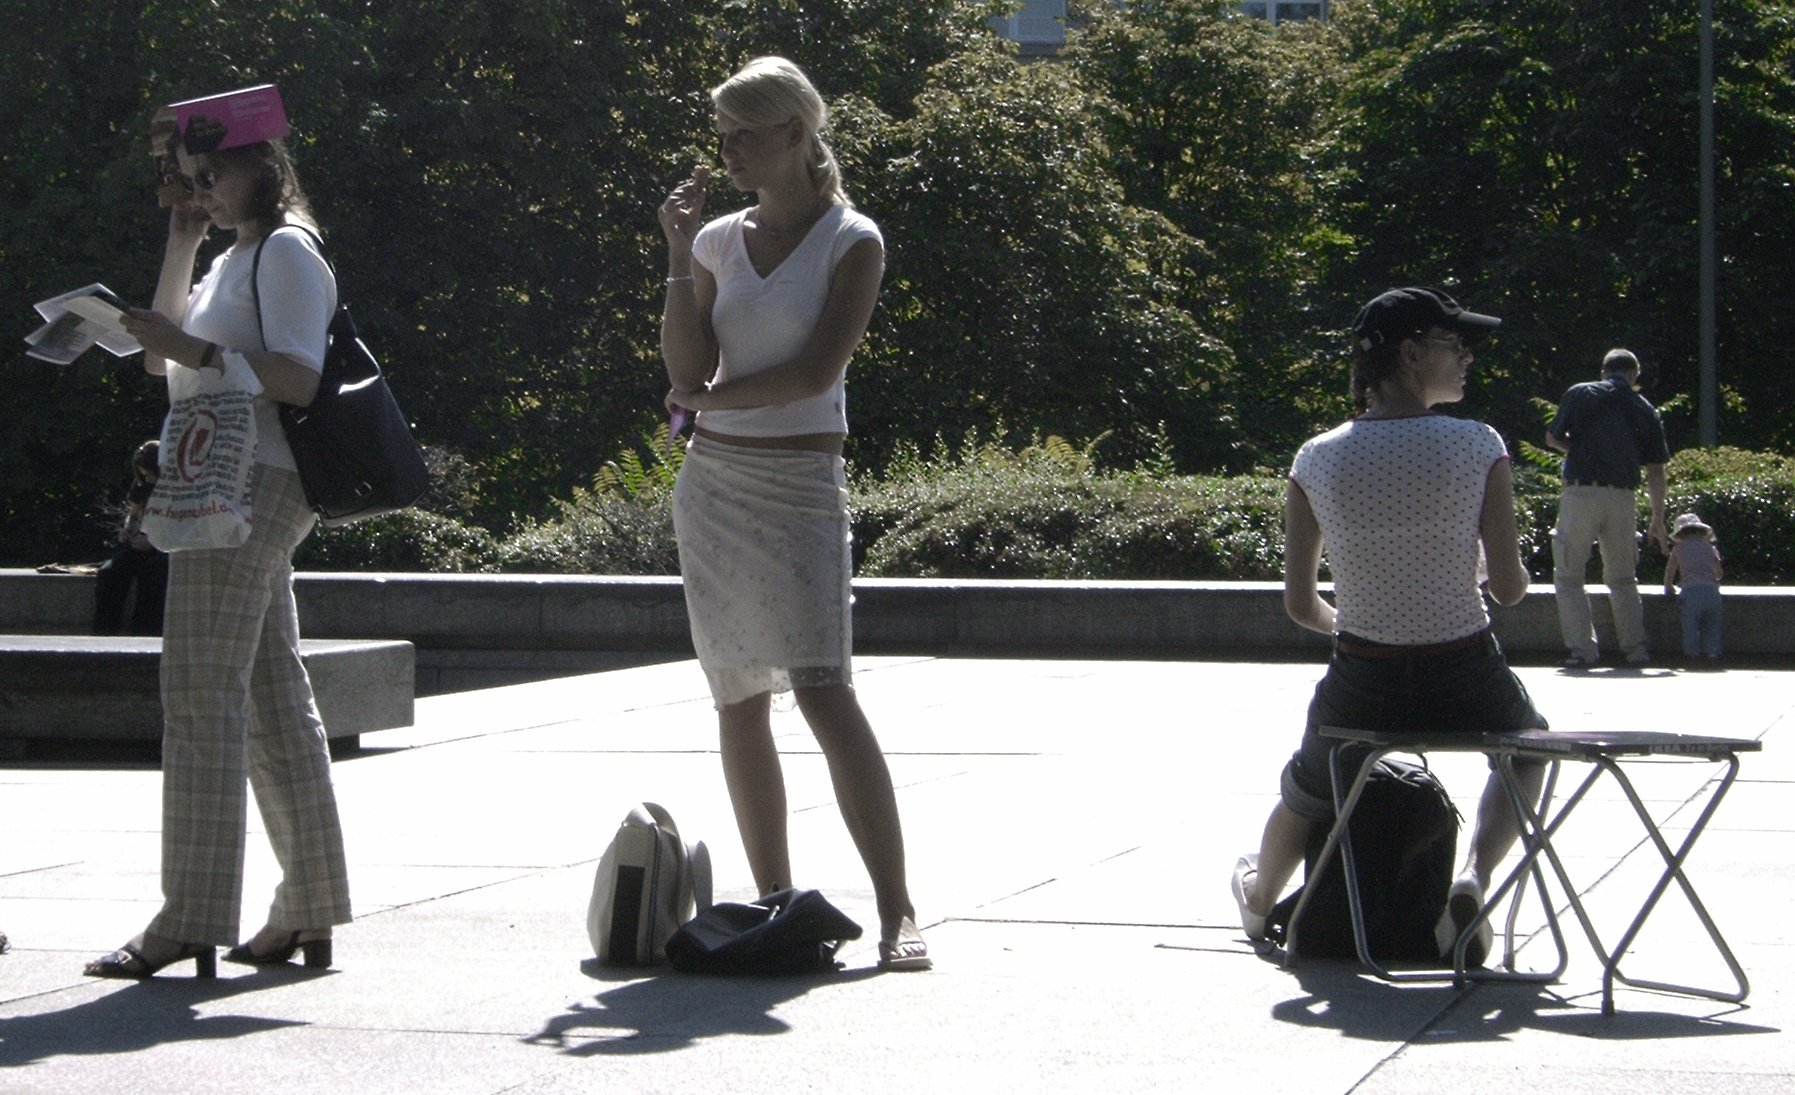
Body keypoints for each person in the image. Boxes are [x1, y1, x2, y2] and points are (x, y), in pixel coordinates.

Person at [656, 57, 928, 971]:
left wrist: (700, 404)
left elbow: (814, 374)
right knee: (737, 699)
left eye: (745, 131)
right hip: (716, 488)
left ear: (797, 135)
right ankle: (774, 906)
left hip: (803, 484)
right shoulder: (718, 240)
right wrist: (674, 251)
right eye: (723, 131)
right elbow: (685, 367)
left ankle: (896, 909)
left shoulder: (852, 238)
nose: (728, 148)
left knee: (823, 688)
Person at [86, 85, 350, 979]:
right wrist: (180, 241)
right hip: (224, 479)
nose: (201, 187)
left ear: (261, 166)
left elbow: (300, 379)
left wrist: (196, 349)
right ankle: (308, 904)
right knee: (274, 696)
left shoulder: (286, 251)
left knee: (198, 692)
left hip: (258, 480)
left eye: (213, 172)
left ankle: (189, 915)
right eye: (189, 176)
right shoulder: (232, 253)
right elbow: (162, 354)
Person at [1230, 287, 1549, 966]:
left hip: (1362, 675)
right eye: (1452, 344)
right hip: (1466, 670)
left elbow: (1297, 603)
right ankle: (1472, 879)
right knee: (1528, 748)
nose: (1465, 357)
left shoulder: (1314, 457)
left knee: (1309, 784)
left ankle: (1259, 899)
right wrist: (1486, 579)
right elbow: (1512, 587)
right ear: (1409, 353)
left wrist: (1356, 622)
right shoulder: (1478, 445)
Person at [1545, 349, 1671, 668]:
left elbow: (1552, 437)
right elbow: (1656, 469)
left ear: (1603, 371)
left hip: (1581, 493)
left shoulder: (1580, 392)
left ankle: (1583, 651)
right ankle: (1636, 650)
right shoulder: (1644, 407)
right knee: (1623, 578)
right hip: (1623, 498)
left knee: (1570, 576)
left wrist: (1577, 449)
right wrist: (1658, 518)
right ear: (1634, 375)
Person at [92, 439, 170, 636]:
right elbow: (134, 514)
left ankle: (145, 632)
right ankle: (104, 631)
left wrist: (153, 543)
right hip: (139, 542)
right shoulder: (142, 486)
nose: (147, 478)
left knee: (154, 574)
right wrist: (128, 531)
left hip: (163, 548)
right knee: (110, 572)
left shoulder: (173, 488)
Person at [1663, 512, 1724, 665]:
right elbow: (1719, 572)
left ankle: (1693, 656)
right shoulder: (1709, 547)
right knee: (1712, 626)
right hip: (1711, 592)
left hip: (1690, 592)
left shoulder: (1678, 549)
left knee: (1691, 627)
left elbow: (1670, 571)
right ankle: (1713, 656)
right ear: (1701, 531)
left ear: (1680, 533)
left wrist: (1668, 587)